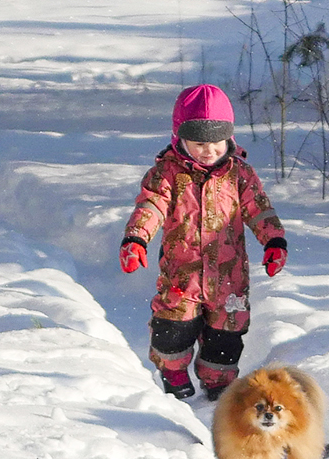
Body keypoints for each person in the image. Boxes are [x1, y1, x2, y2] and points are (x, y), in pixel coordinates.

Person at [120, 85, 286, 401]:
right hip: (182, 275)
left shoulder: (239, 174)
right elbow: (151, 206)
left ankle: (218, 382)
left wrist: (274, 240)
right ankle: (173, 372)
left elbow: (258, 208)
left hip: (229, 276)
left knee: (226, 334)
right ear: (179, 138)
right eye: (199, 144)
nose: (209, 151)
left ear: (229, 139)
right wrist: (136, 238)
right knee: (173, 328)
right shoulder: (167, 173)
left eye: (217, 143)